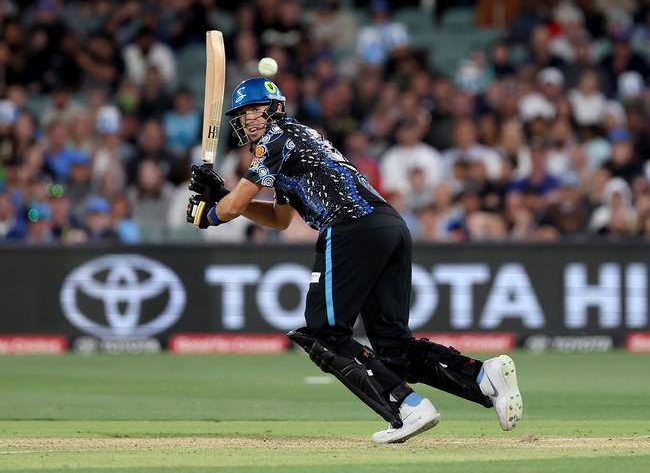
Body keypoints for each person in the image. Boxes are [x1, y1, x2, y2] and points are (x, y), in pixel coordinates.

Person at [186, 77, 523, 443]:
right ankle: (481, 375)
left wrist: (212, 212)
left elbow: (231, 208)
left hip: (350, 227)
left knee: (324, 334)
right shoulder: (300, 138)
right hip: (389, 226)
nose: (249, 119)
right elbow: (279, 219)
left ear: (276, 108)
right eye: (243, 113)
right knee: (393, 347)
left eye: (255, 109)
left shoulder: (275, 142)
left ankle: (407, 407)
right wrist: (221, 195)